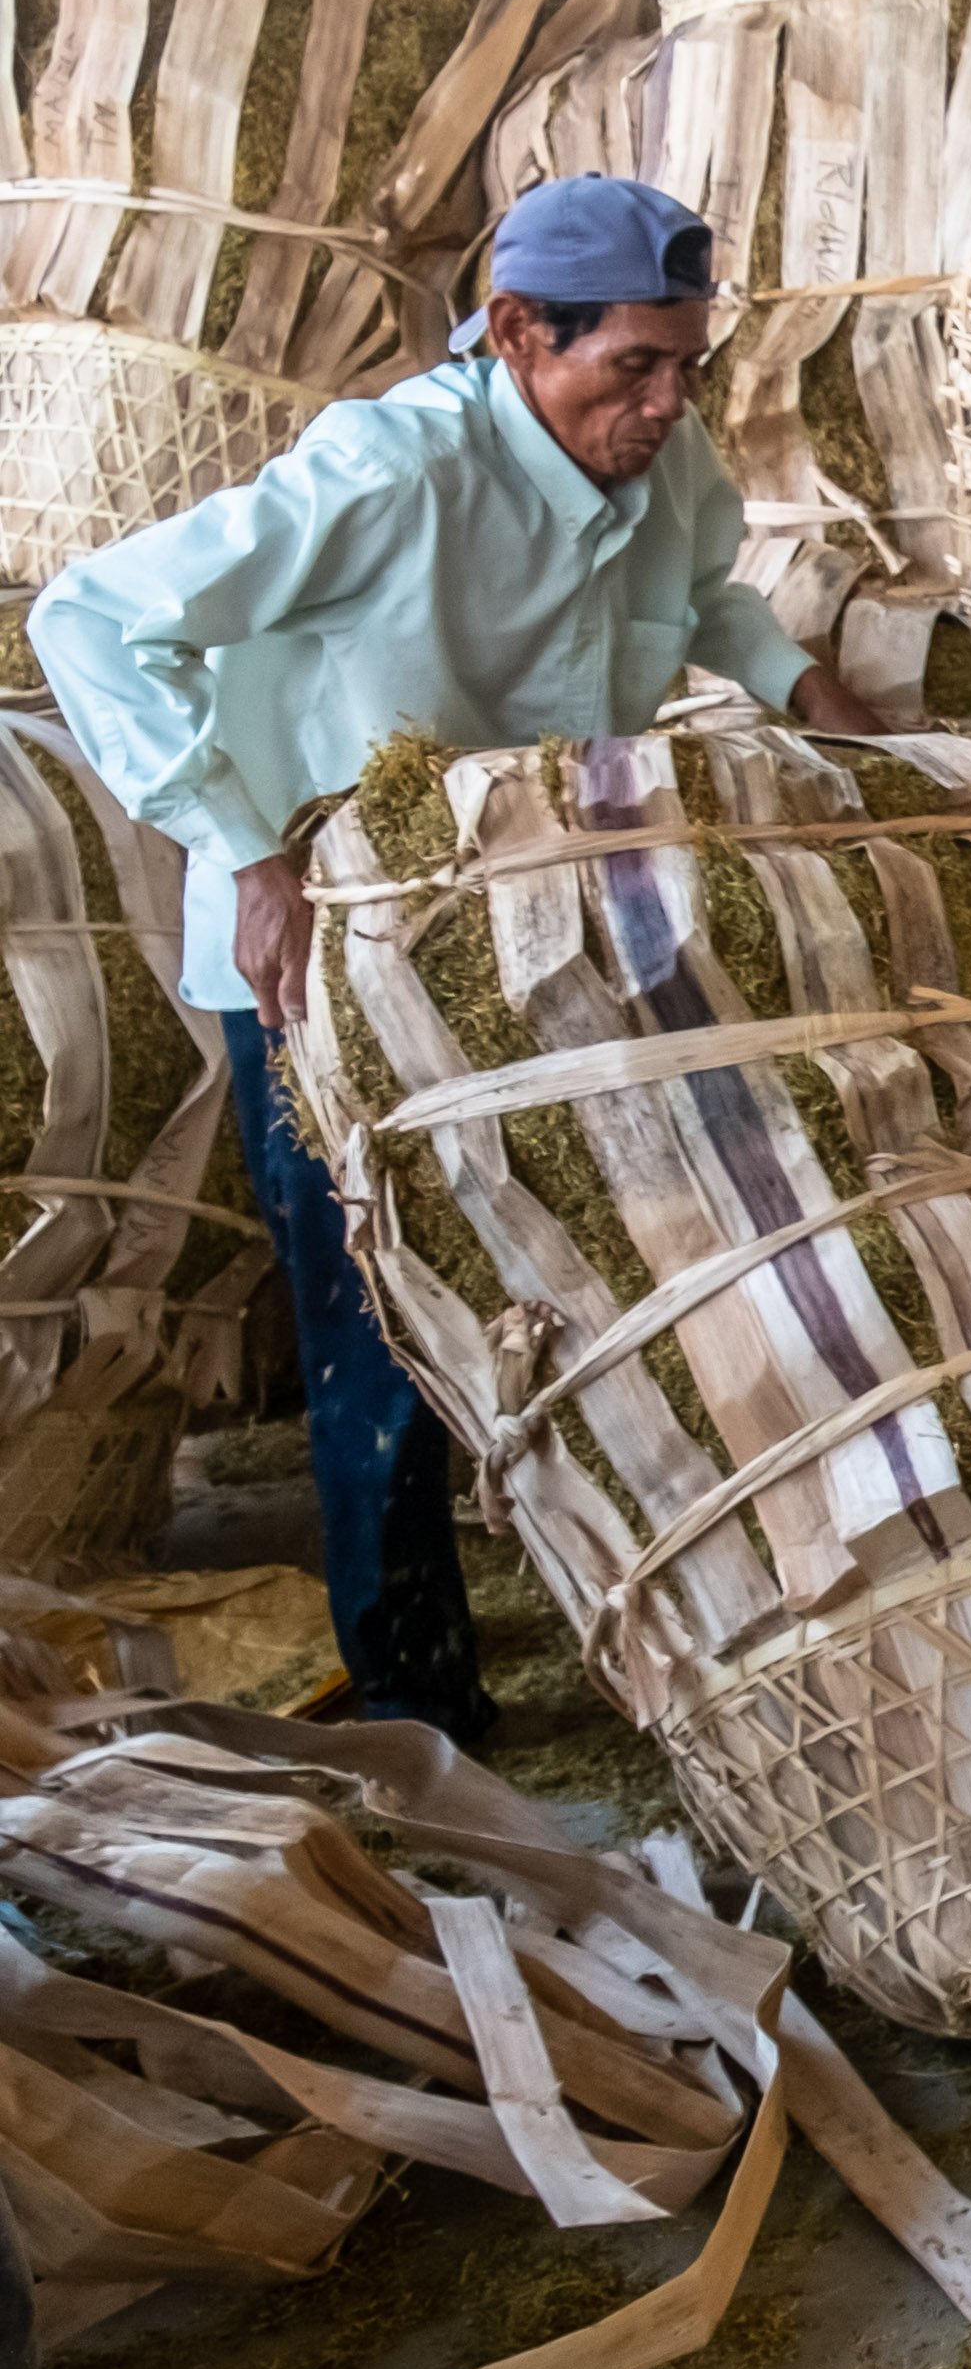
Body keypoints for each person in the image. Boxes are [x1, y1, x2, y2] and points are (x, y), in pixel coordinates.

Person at [32, 174, 883, 1744]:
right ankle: (417, 1706)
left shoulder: (668, 461)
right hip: (331, 958)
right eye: (632, 365)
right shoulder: (393, 472)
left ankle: (646, 1616)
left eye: (689, 365)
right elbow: (92, 619)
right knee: (379, 1329)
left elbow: (706, 596)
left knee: (585, 1281)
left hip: (538, 938)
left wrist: (815, 695)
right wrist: (250, 853)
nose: (666, 402)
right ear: (514, 334)